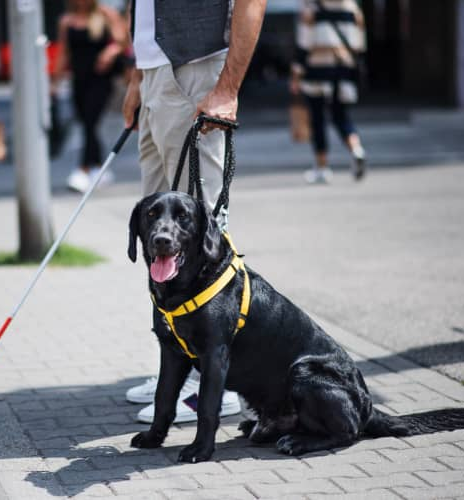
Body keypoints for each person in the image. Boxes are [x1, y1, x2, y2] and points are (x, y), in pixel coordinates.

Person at [120, 0, 267, 424]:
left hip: (197, 70)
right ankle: (176, 369)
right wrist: (139, 76)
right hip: (156, 75)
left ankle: (212, 386)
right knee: (159, 240)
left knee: (199, 240)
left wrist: (227, 87)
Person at [54, 0, 128, 193]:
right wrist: (54, 81)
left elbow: (123, 41)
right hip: (79, 79)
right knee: (87, 123)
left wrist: (109, 53)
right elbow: (64, 52)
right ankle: (98, 169)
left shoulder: (105, 14)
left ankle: (83, 169)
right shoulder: (66, 20)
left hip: (101, 79)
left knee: (90, 120)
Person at [290, 0, 367, 184]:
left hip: (317, 69)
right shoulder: (352, 7)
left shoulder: (310, 6)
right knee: (341, 115)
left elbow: (304, 43)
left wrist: (296, 73)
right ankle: (357, 150)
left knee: (317, 119)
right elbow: (360, 44)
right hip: (343, 70)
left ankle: (322, 167)